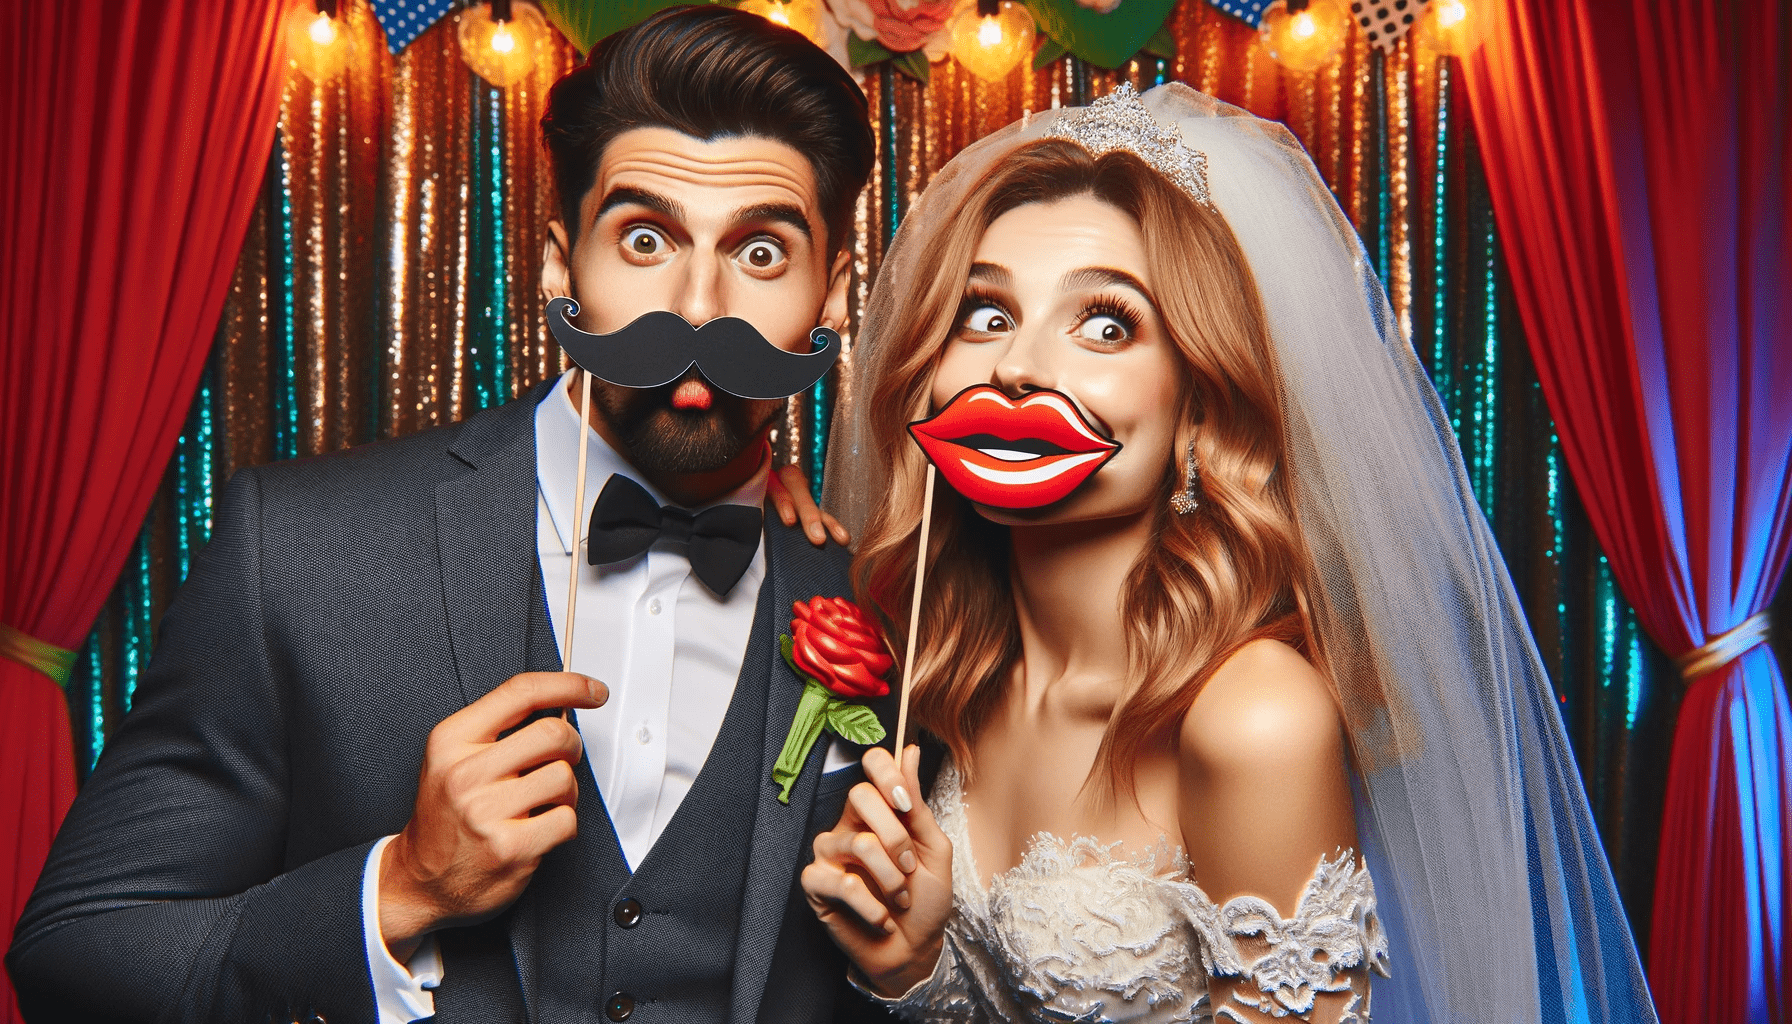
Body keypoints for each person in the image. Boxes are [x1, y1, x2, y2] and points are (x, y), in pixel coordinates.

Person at [7, 8, 887, 1023]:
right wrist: (401, 888)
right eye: (643, 238)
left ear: (829, 300)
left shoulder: (884, 598)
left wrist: (900, 970)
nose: (696, 307)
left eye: (763, 255)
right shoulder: (296, 548)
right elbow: (77, 950)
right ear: (560, 268)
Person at [801, 84, 1659, 1023]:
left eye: (1106, 325)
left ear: (1198, 406)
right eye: (985, 314)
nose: (1018, 367)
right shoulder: (952, 671)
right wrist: (914, 971)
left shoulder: (1253, 721)